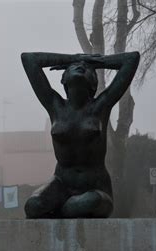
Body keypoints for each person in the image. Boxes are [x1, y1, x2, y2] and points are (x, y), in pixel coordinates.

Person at [21, 51, 140, 218]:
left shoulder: (101, 107)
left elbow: (131, 59)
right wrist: (74, 58)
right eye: (73, 67)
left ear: (93, 83)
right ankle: (62, 208)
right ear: (63, 79)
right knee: (33, 205)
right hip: (61, 184)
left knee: (84, 204)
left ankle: (63, 210)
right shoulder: (55, 106)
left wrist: (95, 62)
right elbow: (29, 59)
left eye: (86, 68)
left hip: (96, 189)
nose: (80, 66)